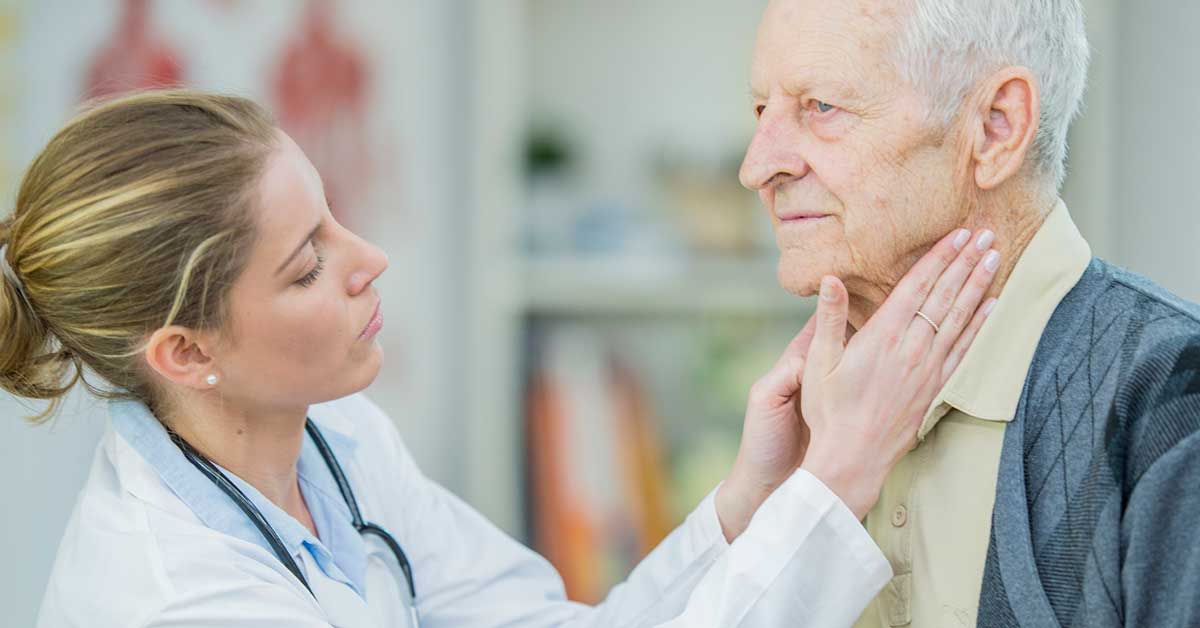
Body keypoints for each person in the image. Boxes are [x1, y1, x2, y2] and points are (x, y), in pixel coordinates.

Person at [1, 90, 998, 628]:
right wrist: (842, 475)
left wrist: (752, 500)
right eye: (308, 266)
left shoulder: (334, 440)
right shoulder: (176, 599)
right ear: (185, 350)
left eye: (334, 219)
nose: (370, 261)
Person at [740, 1, 1200, 626]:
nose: (757, 167)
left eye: (821, 107)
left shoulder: (1174, 405)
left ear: (995, 127)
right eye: (762, 110)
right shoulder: (807, 423)